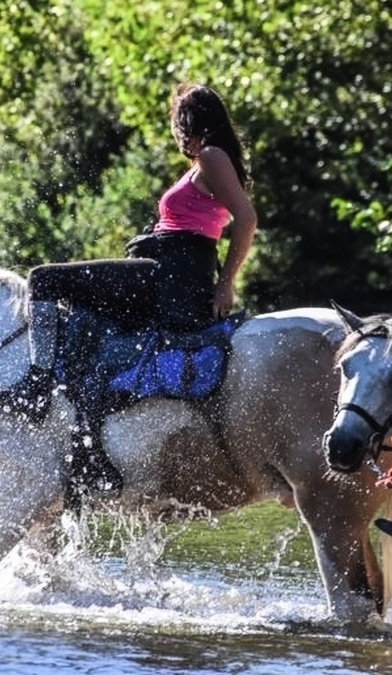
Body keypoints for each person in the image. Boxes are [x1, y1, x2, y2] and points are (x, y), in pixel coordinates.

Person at [22, 83, 258, 499]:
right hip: (165, 271)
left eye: (178, 121)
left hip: (168, 278)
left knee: (43, 279)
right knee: (91, 326)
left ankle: (37, 383)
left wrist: (226, 284)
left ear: (191, 122)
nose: (176, 131)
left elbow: (246, 219)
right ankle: (89, 448)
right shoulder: (205, 162)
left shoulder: (211, 157)